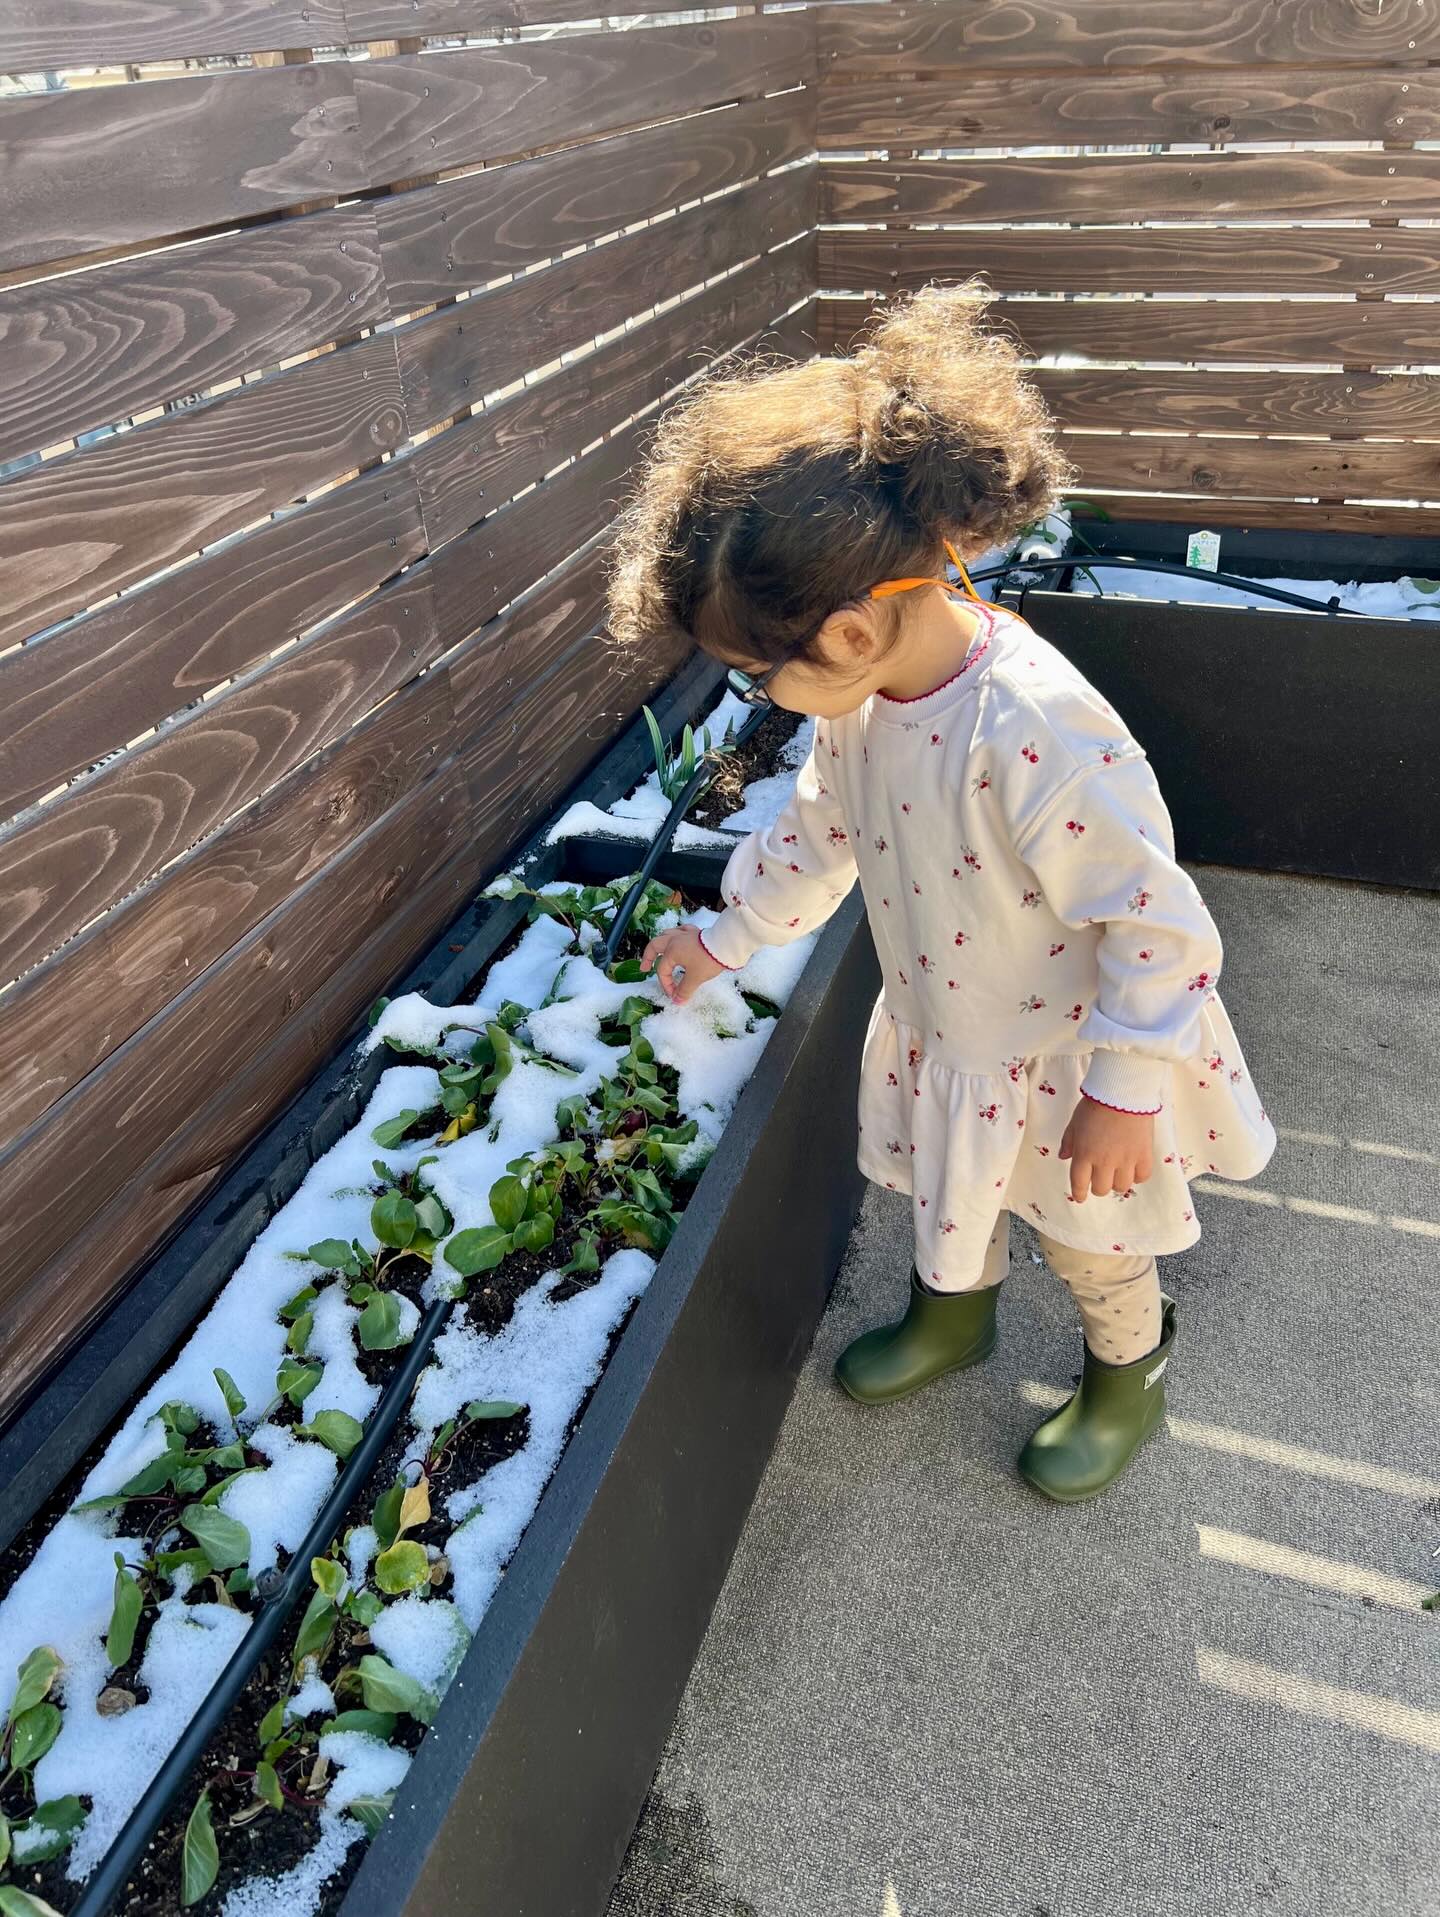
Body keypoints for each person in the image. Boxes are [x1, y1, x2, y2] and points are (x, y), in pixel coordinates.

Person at [605, 282, 1276, 1501]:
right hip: (949, 1028)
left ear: (853, 634)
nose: (760, 697)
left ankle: (1129, 1370)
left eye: (759, 673)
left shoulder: (1034, 733)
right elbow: (821, 832)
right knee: (946, 1181)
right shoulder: (865, 711)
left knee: (1086, 1235)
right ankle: (952, 1318)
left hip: (1069, 1059)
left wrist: (1127, 1093)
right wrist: (727, 935)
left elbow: (1160, 929)